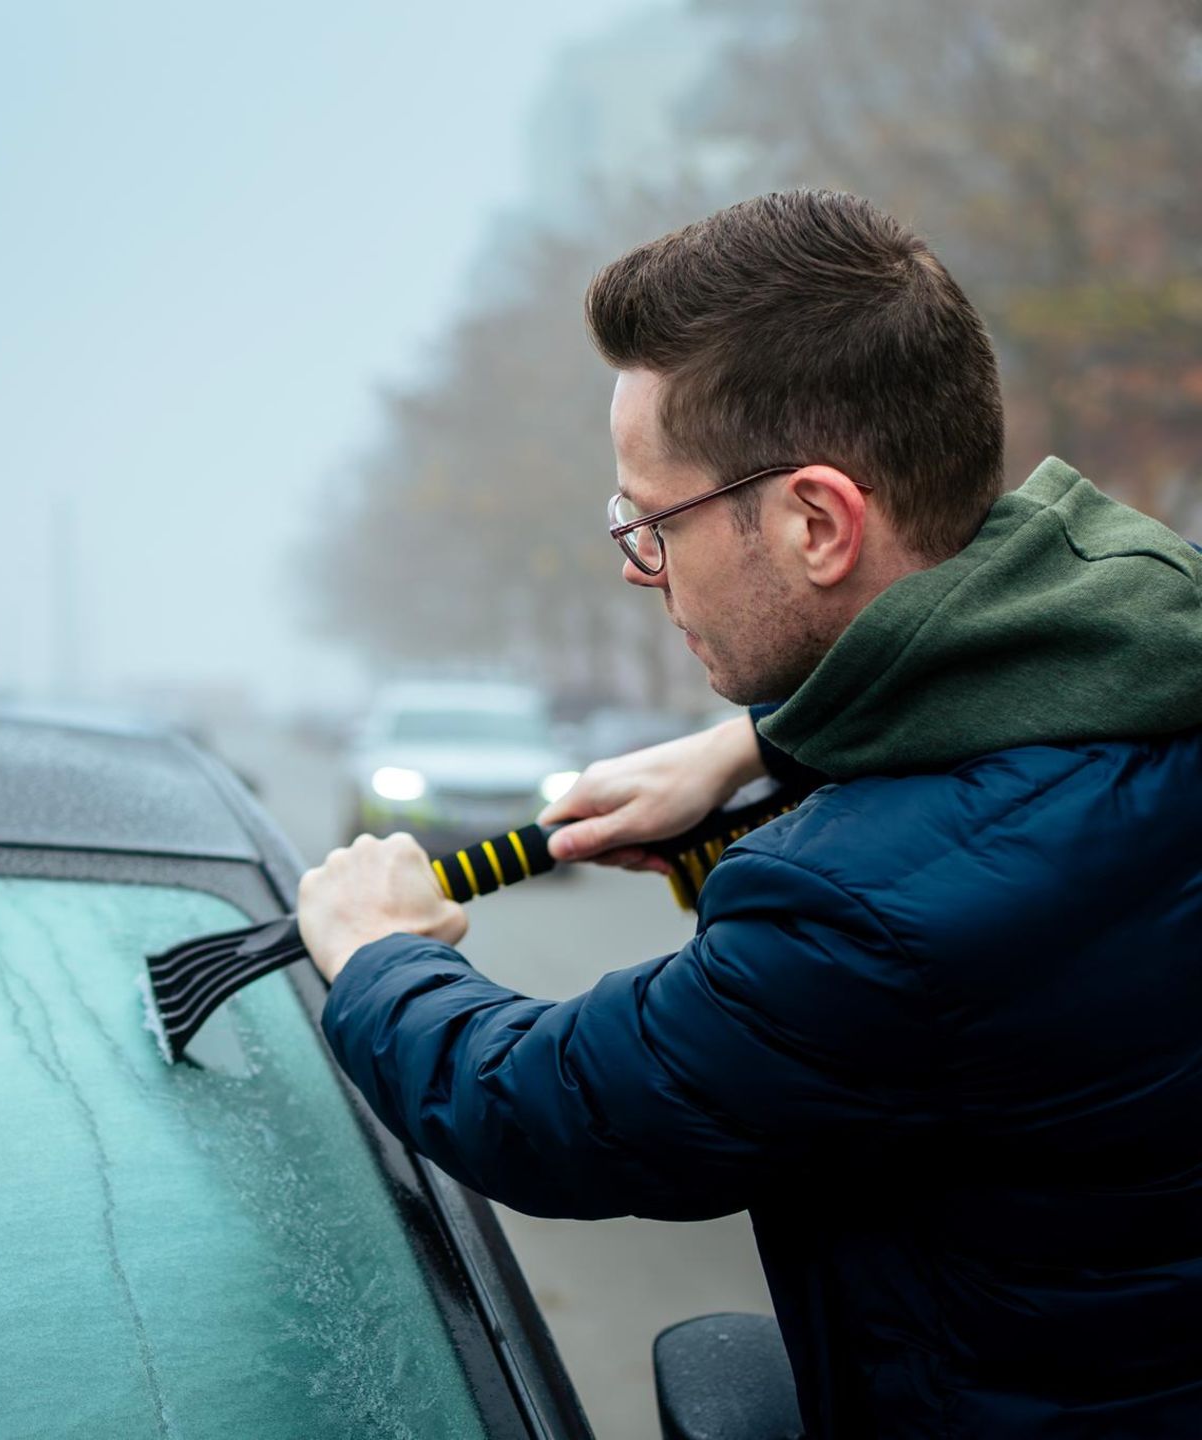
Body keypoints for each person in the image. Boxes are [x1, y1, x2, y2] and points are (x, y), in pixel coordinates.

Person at [297, 190, 1202, 1437]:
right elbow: (1001, 739)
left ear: (815, 521)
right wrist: (757, 750)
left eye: (651, 522)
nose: (637, 568)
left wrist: (378, 952)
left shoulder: (861, 912)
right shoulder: (1155, 635)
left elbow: (547, 1110)